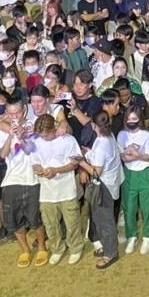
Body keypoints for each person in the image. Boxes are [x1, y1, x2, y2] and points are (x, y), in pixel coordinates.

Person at [0, 97, 48, 267]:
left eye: (17, 112)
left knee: (35, 218)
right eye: (10, 113)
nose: (14, 116)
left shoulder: (33, 125)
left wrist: (22, 136)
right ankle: (25, 249)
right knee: (14, 219)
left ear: (24, 111)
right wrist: (10, 136)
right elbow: (3, 155)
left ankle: (41, 246)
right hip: (11, 180)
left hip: (32, 179)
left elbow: (31, 150)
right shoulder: (2, 130)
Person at [30, 112, 86, 266]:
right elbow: (34, 162)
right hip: (46, 192)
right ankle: (57, 249)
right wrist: (39, 169)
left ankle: (75, 248)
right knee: (50, 224)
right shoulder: (37, 141)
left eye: (46, 135)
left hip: (67, 189)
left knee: (72, 222)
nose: (43, 138)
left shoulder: (68, 140)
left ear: (54, 128)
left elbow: (74, 163)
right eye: (41, 135)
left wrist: (56, 171)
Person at [80, 110, 124, 269]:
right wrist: (89, 153)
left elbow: (96, 172)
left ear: (93, 125)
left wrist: (81, 162)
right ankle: (108, 246)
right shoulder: (108, 136)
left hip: (104, 186)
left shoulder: (102, 144)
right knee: (101, 218)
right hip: (110, 182)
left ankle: (111, 253)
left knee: (104, 220)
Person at [117, 105, 149, 255]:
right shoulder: (121, 135)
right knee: (129, 207)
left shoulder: (146, 135)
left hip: (145, 172)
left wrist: (137, 155)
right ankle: (131, 236)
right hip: (128, 173)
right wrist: (126, 156)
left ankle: (148, 236)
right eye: (128, 119)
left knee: (147, 206)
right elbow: (120, 153)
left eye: (134, 119)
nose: (131, 121)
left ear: (139, 119)